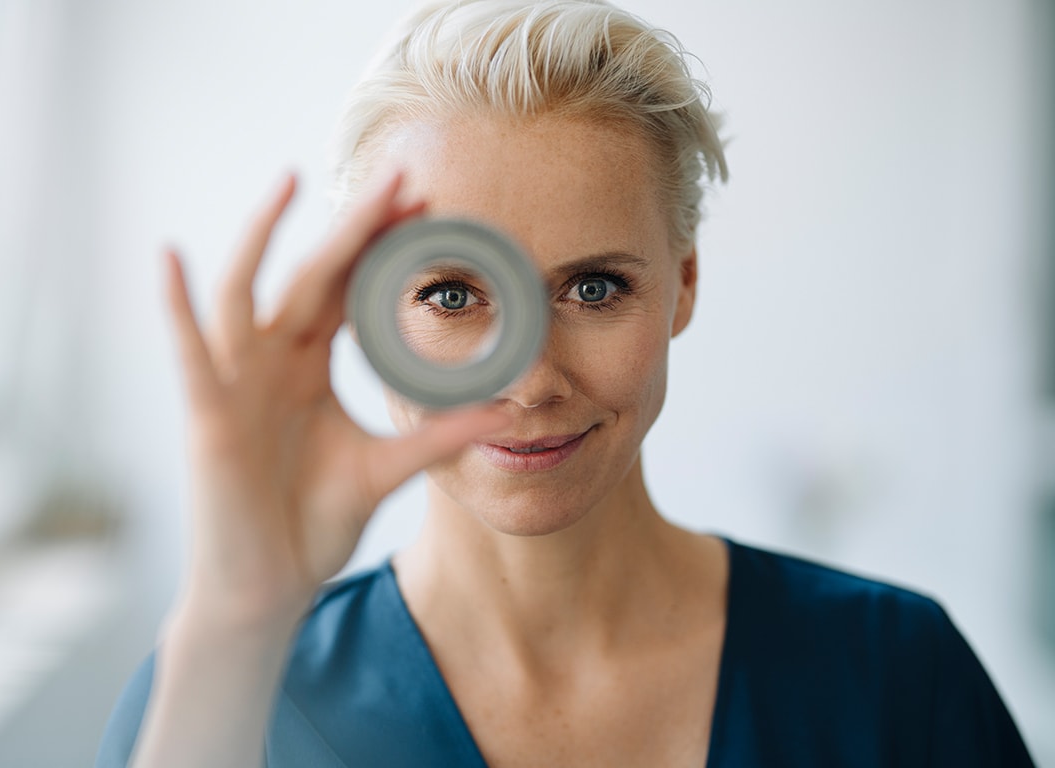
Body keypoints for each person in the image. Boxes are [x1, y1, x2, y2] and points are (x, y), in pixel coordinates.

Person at [97, 1, 1035, 766]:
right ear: (370, 309)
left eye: (595, 288)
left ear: (684, 286)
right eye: (454, 294)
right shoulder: (228, 693)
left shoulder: (895, 679)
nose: (533, 380)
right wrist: (240, 607)